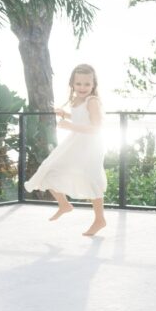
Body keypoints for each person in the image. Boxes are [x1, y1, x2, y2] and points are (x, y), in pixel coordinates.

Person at [24, 64, 107, 237]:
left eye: (87, 84)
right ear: (72, 84)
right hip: (75, 142)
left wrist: (70, 126)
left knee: (91, 178)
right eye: (78, 84)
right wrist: (65, 114)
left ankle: (100, 219)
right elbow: (81, 118)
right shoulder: (76, 100)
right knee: (48, 168)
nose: (82, 87)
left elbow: (96, 127)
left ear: (93, 85)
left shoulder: (92, 101)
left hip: (90, 145)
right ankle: (64, 204)